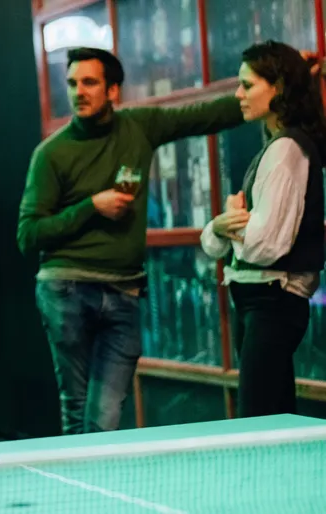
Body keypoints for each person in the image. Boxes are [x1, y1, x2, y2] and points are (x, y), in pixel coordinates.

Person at [17, 47, 247, 435]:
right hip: (68, 288)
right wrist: (92, 205)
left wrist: (277, 87)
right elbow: (29, 235)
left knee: (106, 413)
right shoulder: (51, 154)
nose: (78, 92)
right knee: (77, 410)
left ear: (113, 92)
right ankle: (82, 492)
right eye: (72, 83)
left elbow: (204, 115)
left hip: (124, 290)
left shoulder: (139, 126)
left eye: (89, 82)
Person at [200, 40, 326, 418]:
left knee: (259, 417)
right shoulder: (278, 147)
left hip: (273, 298)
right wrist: (225, 227)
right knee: (268, 413)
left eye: (248, 84)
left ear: (280, 88)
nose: (238, 94)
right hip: (261, 299)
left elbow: (264, 246)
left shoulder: (286, 151)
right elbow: (219, 243)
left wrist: (231, 229)